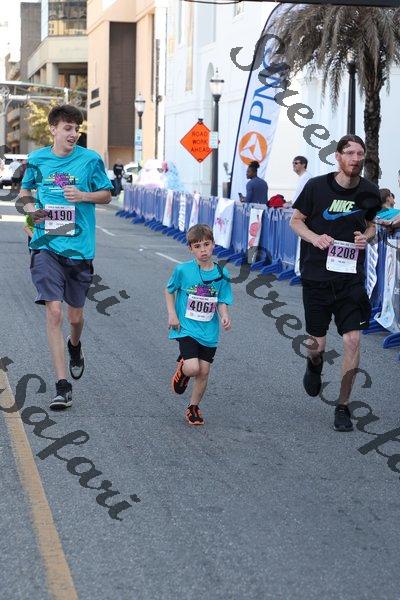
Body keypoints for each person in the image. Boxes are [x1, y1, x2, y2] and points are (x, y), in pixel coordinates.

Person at [19, 104, 113, 410]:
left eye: (77, 129)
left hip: (79, 249)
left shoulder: (90, 160)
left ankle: (75, 345)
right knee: (54, 312)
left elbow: (107, 194)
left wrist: (84, 196)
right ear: (54, 129)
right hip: (46, 244)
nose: (74, 134)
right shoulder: (37, 160)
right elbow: (25, 193)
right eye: (68, 128)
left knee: (74, 317)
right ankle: (62, 386)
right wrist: (32, 213)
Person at [290, 134, 381, 432]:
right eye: (350, 153)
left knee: (353, 340)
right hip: (317, 276)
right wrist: (315, 238)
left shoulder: (369, 191)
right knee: (316, 344)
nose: (355, 159)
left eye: (360, 154)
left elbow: (372, 226)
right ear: (338, 156)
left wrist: (365, 237)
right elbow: (295, 220)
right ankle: (313, 364)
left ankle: (343, 406)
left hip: (350, 280)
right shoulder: (316, 186)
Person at [164, 224, 233, 425]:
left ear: (213, 245)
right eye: (197, 246)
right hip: (186, 327)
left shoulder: (222, 274)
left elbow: (221, 299)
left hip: (209, 331)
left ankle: (193, 408)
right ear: (190, 249)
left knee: (203, 371)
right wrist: (172, 314)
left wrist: (224, 315)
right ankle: (183, 370)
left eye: (206, 244)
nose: (203, 250)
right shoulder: (183, 270)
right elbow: (169, 290)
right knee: (193, 368)